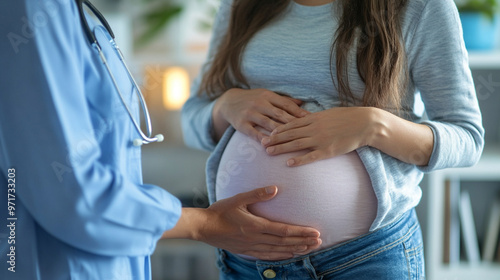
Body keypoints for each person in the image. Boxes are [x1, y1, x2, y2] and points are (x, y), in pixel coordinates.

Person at [0, 0, 323, 279]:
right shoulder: (33, 10)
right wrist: (202, 224)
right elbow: (71, 195)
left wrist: (373, 123)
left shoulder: (73, 13)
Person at [182, 0, 485, 279]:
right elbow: (191, 121)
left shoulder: (421, 7)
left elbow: (467, 139)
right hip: (245, 261)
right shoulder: (240, 5)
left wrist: (373, 125)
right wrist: (225, 107)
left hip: (364, 260)